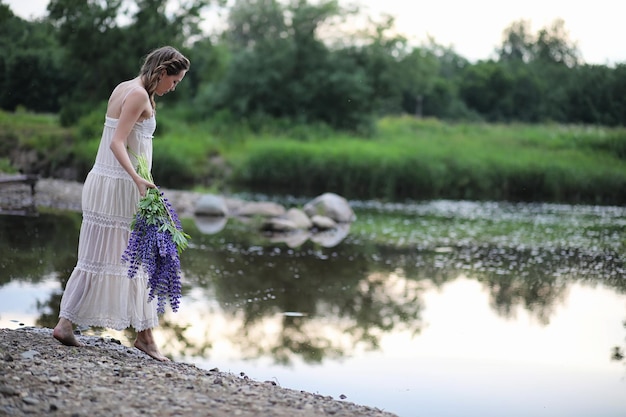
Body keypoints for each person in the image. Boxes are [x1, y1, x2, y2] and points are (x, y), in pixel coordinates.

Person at [52, 46, 190, 361]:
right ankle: (147, 339)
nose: (173, 88)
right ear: (162, 72)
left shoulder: (124, 87)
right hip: (120, 185)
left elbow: (124, 140)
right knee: (140, 256)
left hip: (107, 181)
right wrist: (138, 180)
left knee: (97, 254)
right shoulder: (139, 95)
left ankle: (65, 323)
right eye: (174, 81)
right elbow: (117, 142)